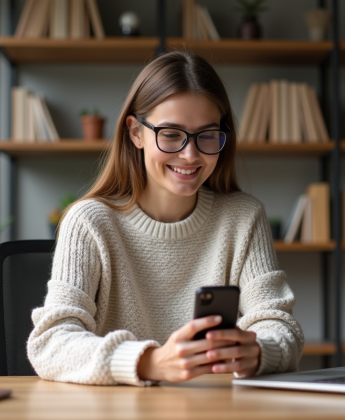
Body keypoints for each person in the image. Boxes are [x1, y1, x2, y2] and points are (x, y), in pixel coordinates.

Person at [27, 51, 304, 386]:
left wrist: (260, 350)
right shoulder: (88, 222)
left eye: (206, 135)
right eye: (171, 134)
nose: (190, 154)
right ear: (135, 133)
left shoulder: (243, 217)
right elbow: (51, 344)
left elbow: (280, 326)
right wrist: (150, 363)